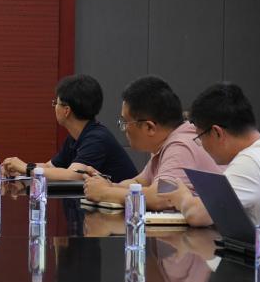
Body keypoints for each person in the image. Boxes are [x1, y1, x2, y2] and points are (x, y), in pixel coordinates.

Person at [82, 75, 220, 210]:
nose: (124, 129)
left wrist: (105, 192)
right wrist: (106, 185)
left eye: (125, 122)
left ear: (149, 127)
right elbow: (139, 182)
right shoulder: (168, 141)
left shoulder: (180, 146)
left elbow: (162, 198)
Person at [160, 82, 260, 229]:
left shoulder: (251, 161)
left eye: (199, 137)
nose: (201, 145)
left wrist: (182, 197)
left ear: (217, 132)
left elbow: (197, 215)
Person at [2, 74, 137, 182]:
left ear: (66, 111)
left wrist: (26, 168)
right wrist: (19, 169)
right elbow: (49, 167)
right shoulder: (75, 138)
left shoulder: (97, 138)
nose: (54, 107)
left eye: (56, 103)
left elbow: (72, 175)